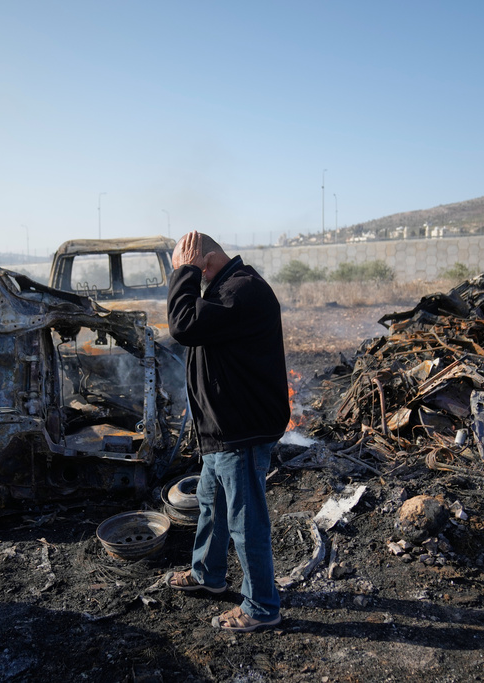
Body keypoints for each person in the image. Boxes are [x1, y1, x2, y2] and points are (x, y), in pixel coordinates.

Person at [164, 231, 290, 632]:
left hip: (242, 428)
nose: (190, 278)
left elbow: (182, 325)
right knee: (211, 504)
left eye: (190, 266)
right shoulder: (223, 291)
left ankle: (261, 607)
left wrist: (183, 273)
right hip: (222, 428)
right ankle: (208, 575)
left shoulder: (242, 291)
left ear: (203, 261)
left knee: (244, 518)